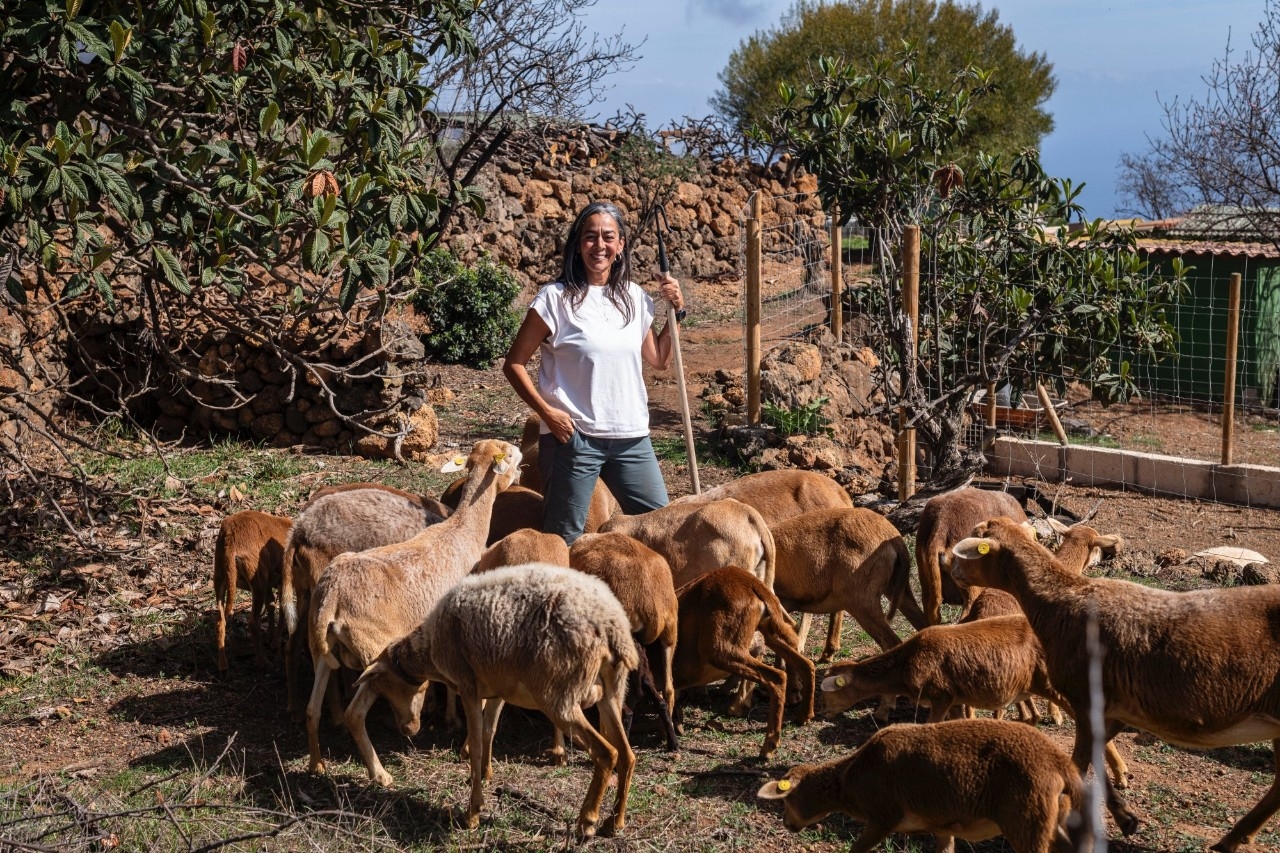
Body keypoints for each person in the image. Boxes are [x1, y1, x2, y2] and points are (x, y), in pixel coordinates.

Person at [502, 200, 685, 545]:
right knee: (563, 539)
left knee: (661, 529)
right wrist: (547, 413)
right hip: (574, 438)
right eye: (590, 237)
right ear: (577, 244)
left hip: (631, 437)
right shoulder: (554, 299)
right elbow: (513, 363)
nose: (599, 245)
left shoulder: (636, 299)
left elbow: (659, 359)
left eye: (608, 237)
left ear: (620, 246)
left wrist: (676, 311)